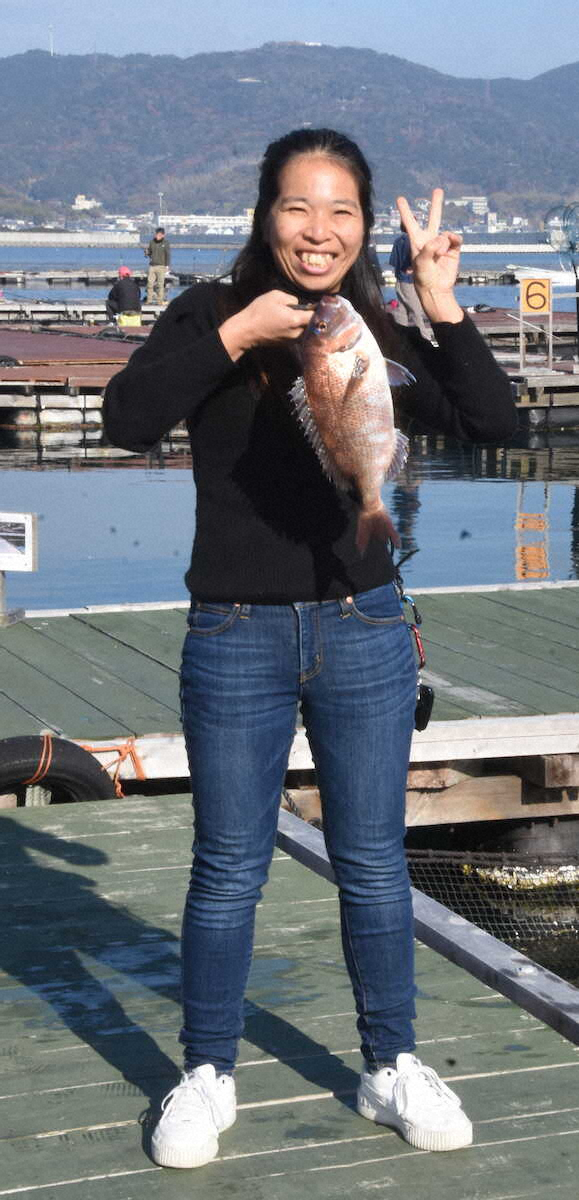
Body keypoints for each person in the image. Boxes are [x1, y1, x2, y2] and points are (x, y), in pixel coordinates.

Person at [103, 128, 517, 1170]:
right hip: (234, 631)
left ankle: (391, 1064)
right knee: (228, 867)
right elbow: (126, 417)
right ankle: (206, 1072)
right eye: (299, 207)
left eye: (342, 212)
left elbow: (496, 423)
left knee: (374, 865)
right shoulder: (209, 314)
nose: (319, 230)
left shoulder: (370, 330)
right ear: (264, 214)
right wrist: (237, 334)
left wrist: (441, 301)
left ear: (365, 227)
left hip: (366, 626)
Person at [389, 225, 435, 341]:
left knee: (402, 310)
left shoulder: (398, 241)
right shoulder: (412, 242)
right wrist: (411, 268)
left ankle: (400, 336)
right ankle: (425, 337)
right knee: (416, 310)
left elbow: (393, 261)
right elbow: (412, 259)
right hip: (408, 280)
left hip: (399, 279)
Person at [145, 226, 171, 304]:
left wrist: (167, 266)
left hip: (161, 266)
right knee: (149, 284)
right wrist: (147, 253)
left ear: (163, 235)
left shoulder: (166, 243)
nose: (157, 236)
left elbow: (168, 254)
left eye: (159, 235)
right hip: (152, 266)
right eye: (156, 234)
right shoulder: (152, 242)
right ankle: (149, 300)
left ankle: (160, 301)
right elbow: (149, 252)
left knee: (160, 284)